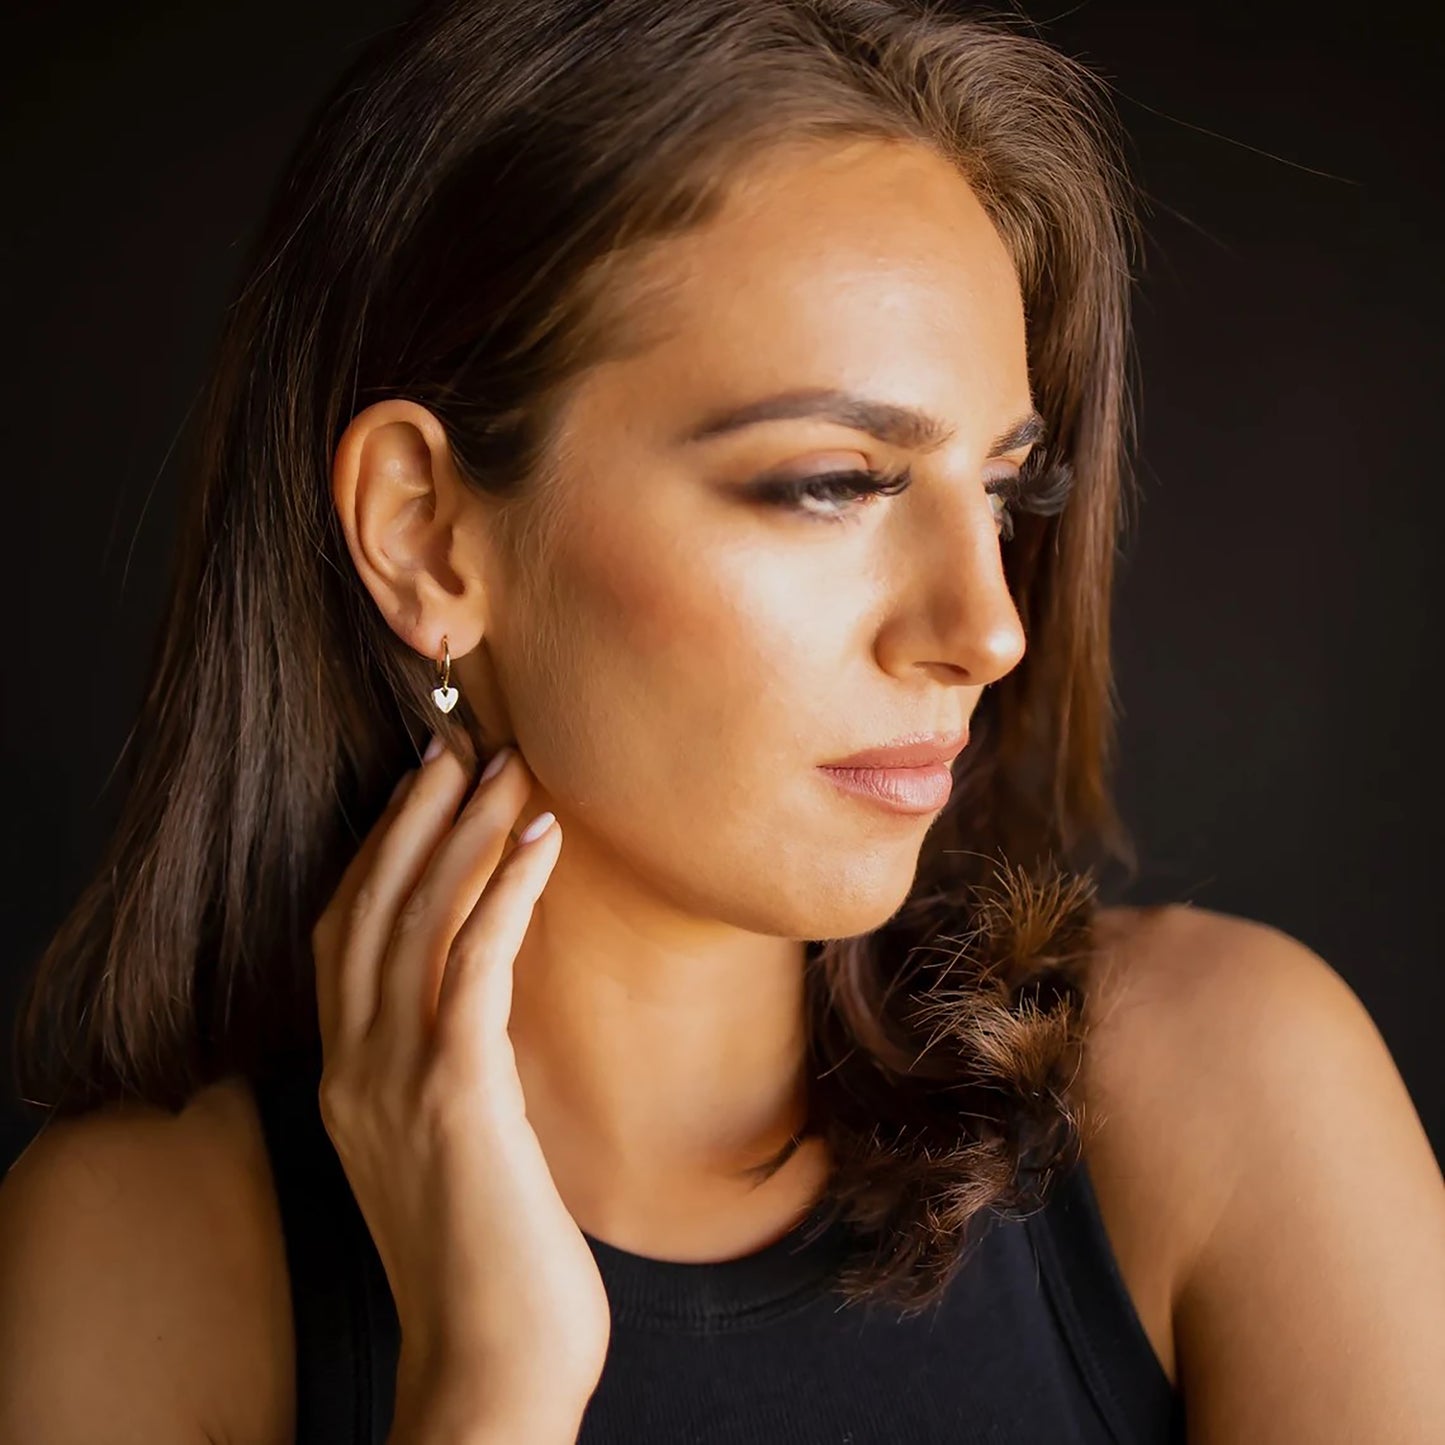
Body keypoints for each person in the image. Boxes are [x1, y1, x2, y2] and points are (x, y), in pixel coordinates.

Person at [3, 1, 1442, 1441]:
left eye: (1005, 492)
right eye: (833, 482)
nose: (989, 627)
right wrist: (491, 1376)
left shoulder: (1229, 1097)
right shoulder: (141, 1260)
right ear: (428, 535)